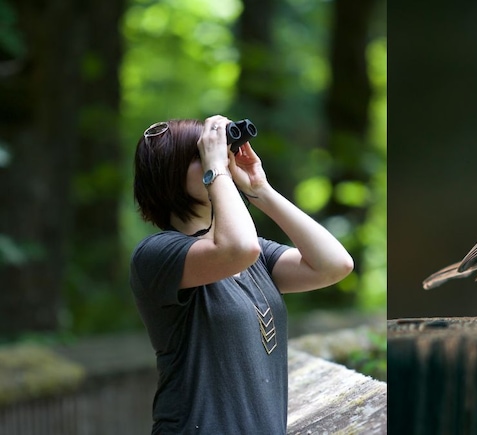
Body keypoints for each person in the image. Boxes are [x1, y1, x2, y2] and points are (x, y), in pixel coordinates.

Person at [130, 115, 354, 434]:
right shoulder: (156, 254)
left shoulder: (253, 253)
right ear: (170, 172)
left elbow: (334, 265)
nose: (220, 156)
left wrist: (260, 189)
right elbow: (237, 249)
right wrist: (217, 170)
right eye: (203, 153)